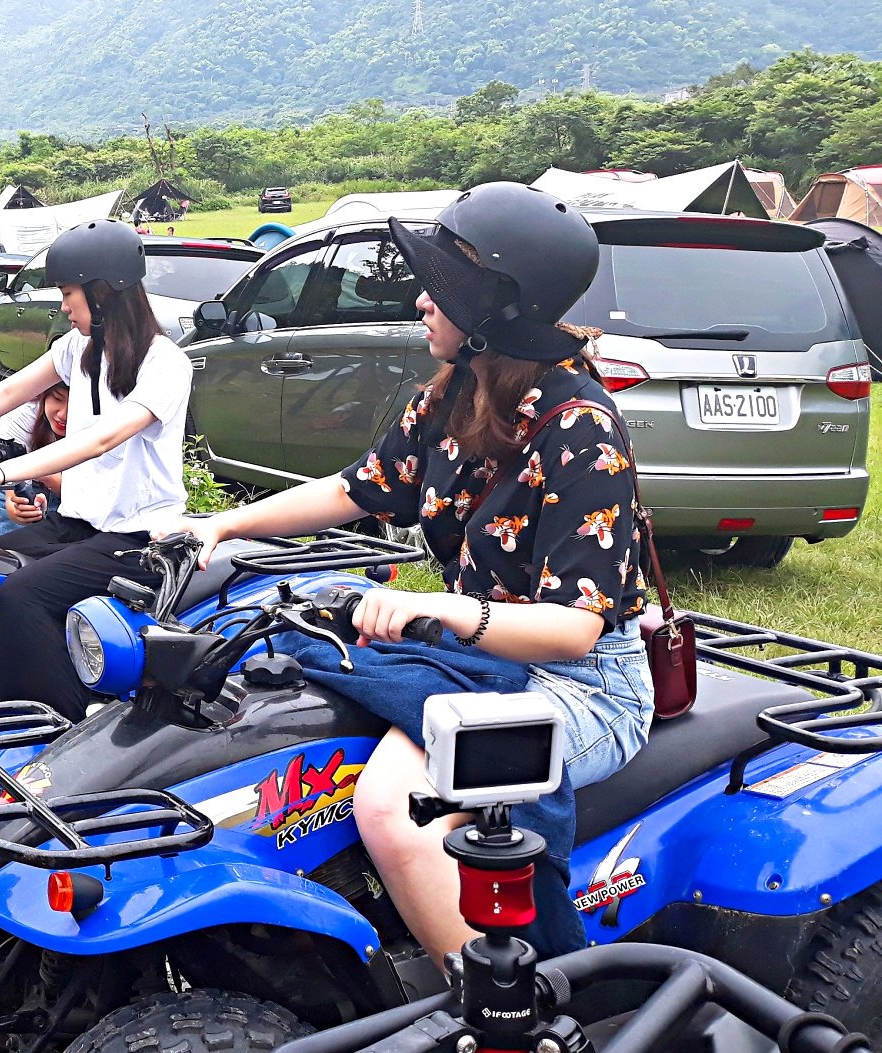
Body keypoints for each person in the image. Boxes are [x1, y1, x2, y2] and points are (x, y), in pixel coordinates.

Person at [167, 182, 648, 965]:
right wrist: (219, 524)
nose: (423, 302)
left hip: (584, 684)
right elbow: (352, 490)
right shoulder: (453, 397)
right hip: (478, 656)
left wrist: (452, 612)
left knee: (393, 806)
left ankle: (501, 1021)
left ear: (494, 312)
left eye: (443, 287)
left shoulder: (580, 429)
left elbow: (574, 629)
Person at [0, 219, 192, 721]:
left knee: (23, 595)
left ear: (104, 291)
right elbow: (8, 391)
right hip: (77, 525)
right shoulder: (79, 349)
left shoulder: (165, 364)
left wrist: (1, 474)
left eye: (69, 293)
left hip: (139, 538)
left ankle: (45, 726)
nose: (64, 306)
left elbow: (102, 439)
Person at [0, 383, 69, 540]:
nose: (63, 414)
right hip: (18, 478)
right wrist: (17, 508)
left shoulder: (104, 425)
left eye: (74, 405)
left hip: (78, 492)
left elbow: (89, 496)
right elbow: (12, 490)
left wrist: (47, 476)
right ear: (44, 394)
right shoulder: (21, 414)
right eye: (57, 398)